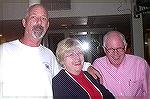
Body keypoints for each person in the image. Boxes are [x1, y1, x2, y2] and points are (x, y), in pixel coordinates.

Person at [0, 4, 101, 99]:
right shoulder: (4, 50)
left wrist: (87, 66)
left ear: (47, 25)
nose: (39, 22)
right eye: (34, 17)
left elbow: (66, 67)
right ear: (24, 22)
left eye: (43, 18)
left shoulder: (48, 55)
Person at [92, 31, 150, 97]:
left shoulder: (140, 64)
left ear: (125, 47)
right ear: (104, 50)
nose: (116, 53)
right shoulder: (98, 65)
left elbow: (148, 92)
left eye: (119, 48)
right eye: (111, 49)